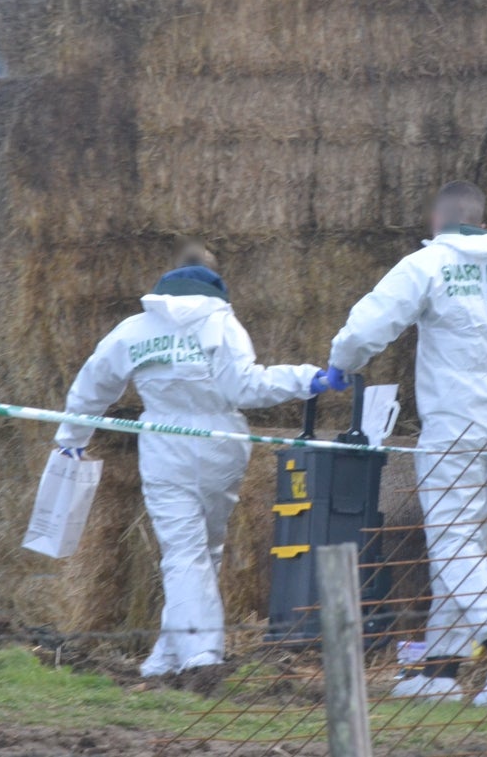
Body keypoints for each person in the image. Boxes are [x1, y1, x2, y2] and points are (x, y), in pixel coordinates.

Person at [326, 181, 487, 705]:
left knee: (452, 542)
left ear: (437, 219)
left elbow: (369, 324)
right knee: (465, 543)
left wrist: (340, 365)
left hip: (456, 420)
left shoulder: (428, 265)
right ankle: (438, 672)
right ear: (481, 219)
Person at [55, 254, 328, 677]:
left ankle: (199, 655)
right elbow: (246, 386)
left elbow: (94, 384)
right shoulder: (221, 323)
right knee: (205, 550)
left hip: (165, 444)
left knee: (184, 552)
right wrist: (306, 379)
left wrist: (71, 439)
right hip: (222, 444)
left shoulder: (135, 329)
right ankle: (167, 656)